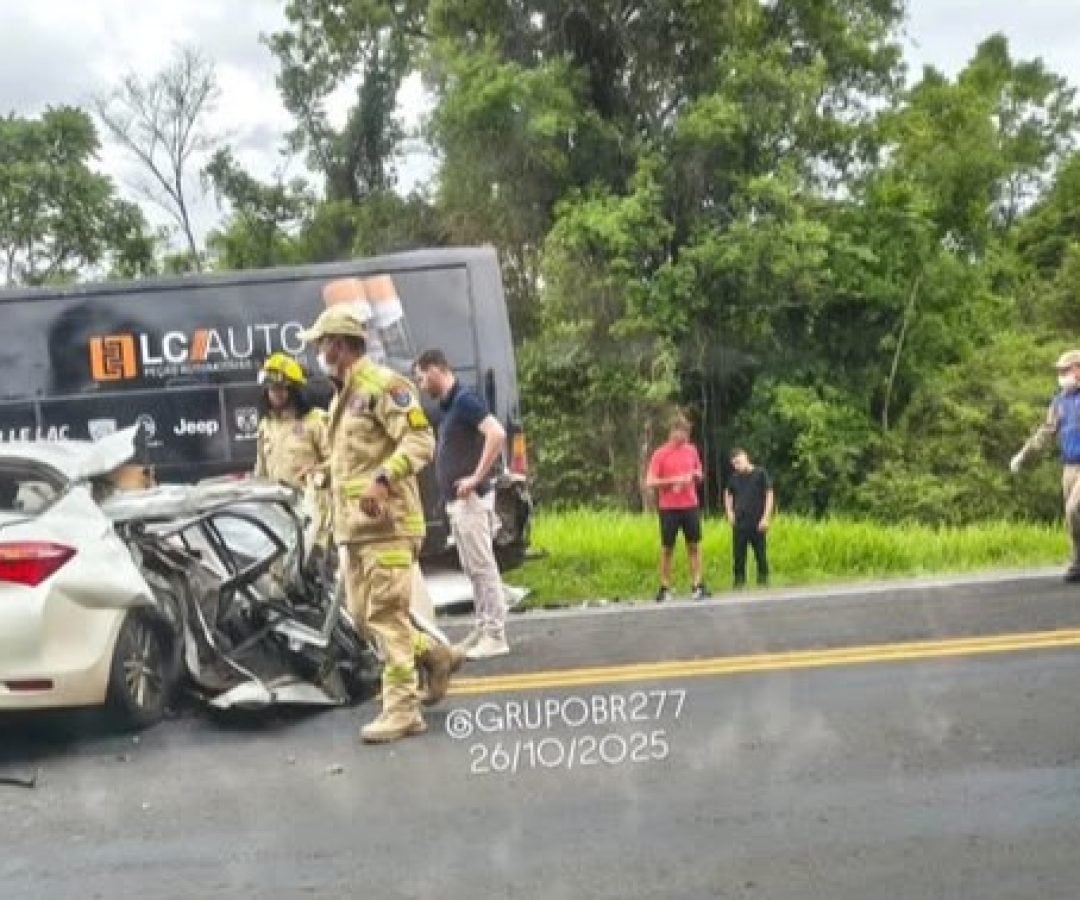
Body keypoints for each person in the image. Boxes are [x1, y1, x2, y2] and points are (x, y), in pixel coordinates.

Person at [299, 306, 463, 744]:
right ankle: (434, 655)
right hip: (355, 531)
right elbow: (356, 455)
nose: (317, 350)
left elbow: (420, 439)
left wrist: (383, 479)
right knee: (364, 619)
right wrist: (322, 470)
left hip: (388, 527)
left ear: (339, 343)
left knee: (386, 617)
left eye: (321, 342)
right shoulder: (342, 397)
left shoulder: (384, 386)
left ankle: (403, 709)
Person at [414, 348, 511, 659]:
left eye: (420, 378)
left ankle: (496, 634)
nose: (420, 385)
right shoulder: (449, 406)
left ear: (435, 370)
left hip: (472, 500)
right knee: (472, 567)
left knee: (483, 567)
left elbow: (496, 433)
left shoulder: (465, 400)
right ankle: (484, 627)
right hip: (458, 503)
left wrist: (474, 477)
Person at [1010, 349, 1080, 583]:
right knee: (1071, 517)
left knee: (1074, 508)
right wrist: (1023, 455)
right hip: (1069, 467)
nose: (1061, 375)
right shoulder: (1059, 402)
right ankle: (1077, 564)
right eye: (1059, 371)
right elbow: (1046, 433)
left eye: (1065, 370)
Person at [254, 352, 331, 548]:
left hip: (311, 510)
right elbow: (261, 469)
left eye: (281, 389)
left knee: (316, 565)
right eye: (271, 389)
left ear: (295, 390)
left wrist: (318, 472)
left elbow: (338, 460)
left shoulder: (315, 421)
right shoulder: (266, 425)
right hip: (278, 510)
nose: (276, 394)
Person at [646, 414, 708, 602]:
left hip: (690, 504)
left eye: (688, 433)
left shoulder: (691, 450)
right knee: (667, 548)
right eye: (683, 433)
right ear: (673, 432)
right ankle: (665, 587)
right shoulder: (660, 454)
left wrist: (697, 475)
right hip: (669, 507)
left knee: (694, 545)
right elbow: (650, 481)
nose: (686, 437)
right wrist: (674, 481)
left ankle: (697, 584)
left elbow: (699, 472)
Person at [724, 449, 774, 589]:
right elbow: (728, 493)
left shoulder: (760, 473)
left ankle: (763, 581)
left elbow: (769, 494)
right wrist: (729, 512)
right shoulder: (734, 477)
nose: (737, 466)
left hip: (758, 521)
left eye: (738, 462)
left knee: (760, 553)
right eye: (734, 464)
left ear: (746, 458)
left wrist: (766, 517)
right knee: (738, 556)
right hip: (740, 522)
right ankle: (739, 582)